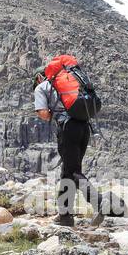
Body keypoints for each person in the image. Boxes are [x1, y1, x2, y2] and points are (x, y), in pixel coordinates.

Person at [33, 57, 105, 227]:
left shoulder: (42, 87)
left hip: (68, 128)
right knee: (69, 171)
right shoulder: (73, 81)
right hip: (84, 127)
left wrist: (53, 113)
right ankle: (65, 216)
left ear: (39, 76)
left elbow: (43, 114)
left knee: (72, 171)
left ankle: (99, 202)